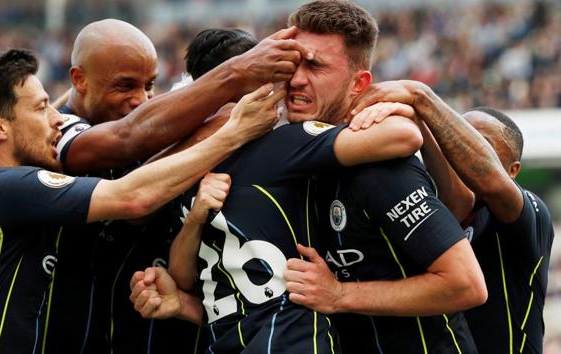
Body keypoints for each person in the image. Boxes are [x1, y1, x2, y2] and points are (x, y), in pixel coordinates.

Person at [131, 1, 485, 353]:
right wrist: (183, 302)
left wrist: (341, 295)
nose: (297, 79)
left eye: (315, 66)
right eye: (292, 64)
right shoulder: (295, 162)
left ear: (358, 82)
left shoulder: (381, 168)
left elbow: (465, 284)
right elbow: (274, 299)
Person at [0, 48, 282, 354]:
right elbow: (133, 197)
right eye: (40, 109)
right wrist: (233, 133)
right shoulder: (5, 188)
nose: (58, 118)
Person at [45, 19, 310, 354]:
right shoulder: (54, 131)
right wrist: (232, 109)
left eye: (149, 85)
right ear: (79, 80)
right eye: (125, 86)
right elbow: (132, 169)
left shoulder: (175, 131)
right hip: (69, 333)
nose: (140, 99)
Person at [349, 80, 555, 354]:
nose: (458, 150)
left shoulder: (531, 214)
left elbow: (489, 181)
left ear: (513, 169)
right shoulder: (430, 211)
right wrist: (421, 121)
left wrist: (419, 96)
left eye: (479, 143)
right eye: (455, 137)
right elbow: (458, 198)